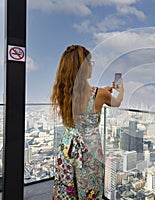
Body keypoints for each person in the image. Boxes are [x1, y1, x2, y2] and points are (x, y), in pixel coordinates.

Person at [51, 45, 124, 199]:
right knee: (90, 190)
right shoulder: (100, 94)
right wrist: (120, 90)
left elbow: (84, 96)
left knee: (67, 189)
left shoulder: (63, 92)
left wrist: (102, 91)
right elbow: (116, 103)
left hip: (67, 147)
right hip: (89, 150)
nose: (92, 66)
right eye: (90, 62)